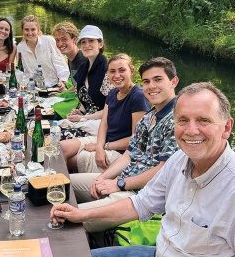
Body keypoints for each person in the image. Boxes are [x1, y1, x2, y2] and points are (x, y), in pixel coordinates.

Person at [51, 82, 235, 257]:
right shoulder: (178, 160)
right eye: (183, 120)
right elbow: (141, 204)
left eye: (203, 120)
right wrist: (80, 215)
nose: (191, 130)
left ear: (227, 127)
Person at [70, 57, 180, 232]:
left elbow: (164, 171)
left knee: (67, 221)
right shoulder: (148, 117)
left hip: (139, 196)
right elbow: (129, 155)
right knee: (61, 184)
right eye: (146, 81)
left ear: (173, 82)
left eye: (158, 80)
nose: (151, 86)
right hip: (122, 181)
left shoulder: (178, 121)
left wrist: (120, 184)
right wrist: (103, 178)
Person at [61, 54, 149, 173]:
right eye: (112, 71)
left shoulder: (138, 96)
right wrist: (99, 146)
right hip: (105, 142)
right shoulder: (113, 93)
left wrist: (103, 147)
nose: (117, 75)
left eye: (122, 70)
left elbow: (135, 139)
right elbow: (104, 124)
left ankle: (66, 187)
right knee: (60, 149)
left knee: (67, 160)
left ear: (131, 71)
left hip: (121, 152)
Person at [66, 25, 108, 124]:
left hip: (103, 123)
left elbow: (111, 109)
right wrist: (80, 112)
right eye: (83, 42)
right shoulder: (83, 67)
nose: (86, 45)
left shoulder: (107, 70)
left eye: (91, 41)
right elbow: (86, 103)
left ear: (100, 44)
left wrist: (84, 118)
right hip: (88, 120)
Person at [17, 14, 69, 91]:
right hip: (35, 89)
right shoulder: (20, 47)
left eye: (33, 29)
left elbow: (59, 62)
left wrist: (62, 81)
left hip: (55, 86)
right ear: (22, 30)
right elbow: (25, 71)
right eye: (26, 29)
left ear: (38, 29)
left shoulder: (48, 41)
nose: (30, 33)